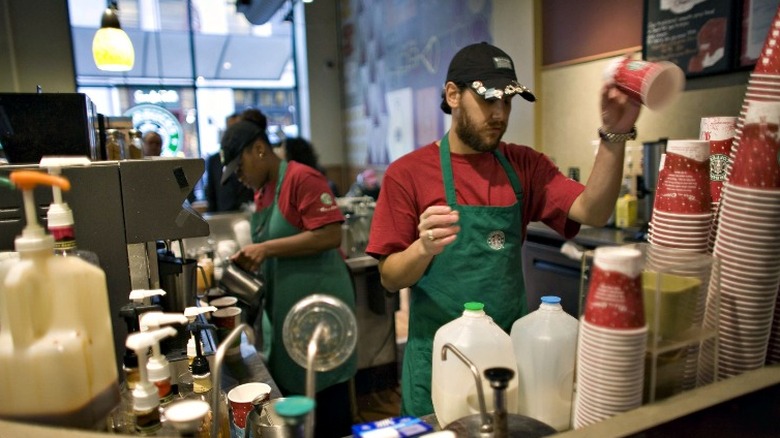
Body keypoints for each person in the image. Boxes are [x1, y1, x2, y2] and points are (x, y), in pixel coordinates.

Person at [366, 42, 641, 417]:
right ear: (453, 95)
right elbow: (390, 278)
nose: (500, 114)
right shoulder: (407, 173)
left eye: (508, 102)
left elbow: (593, 210)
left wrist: (614, 134)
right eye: (489, 100)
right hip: (439, 360)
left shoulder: (524, 165)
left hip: (508, 359)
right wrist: (422, 248)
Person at [219, 117, 357, 438]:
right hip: (286, 313)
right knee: (299, 407)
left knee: (327, 405)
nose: (240, 178)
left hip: (319, 314)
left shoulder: (301, 178)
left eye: (240, 169)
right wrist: (256, 258)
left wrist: (264, 249)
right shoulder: (263, 192)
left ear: (259, 149)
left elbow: (330, 235)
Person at [205, 113, 254, 212]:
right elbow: (211, 193)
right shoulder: (215, 160)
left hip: (248, 211)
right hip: (224, 214)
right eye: (231, 129)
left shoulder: (251, 157)